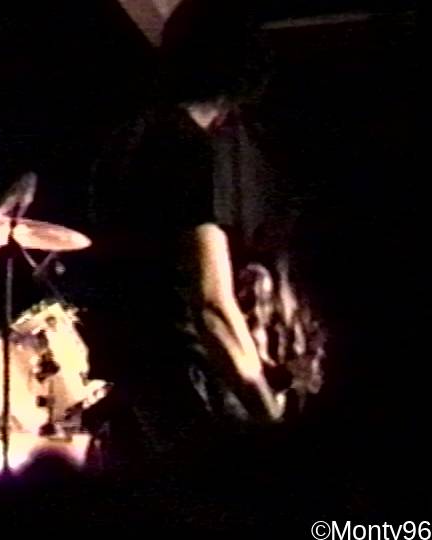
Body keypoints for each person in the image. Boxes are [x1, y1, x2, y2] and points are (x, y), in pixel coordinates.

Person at [80, 0, 325, 467]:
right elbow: (210, 303)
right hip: (184, 376)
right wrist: (267, 411)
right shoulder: (182, 145)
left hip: (132, 371)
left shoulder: (122, 142)